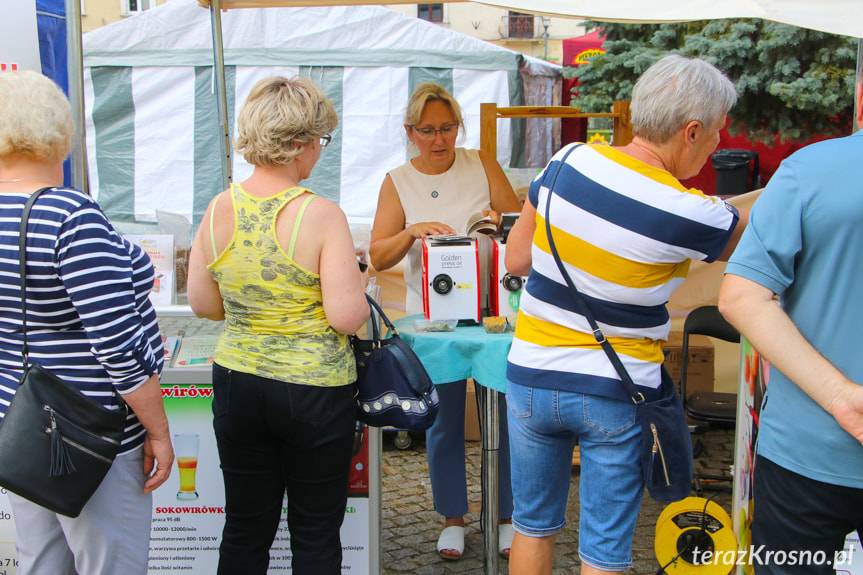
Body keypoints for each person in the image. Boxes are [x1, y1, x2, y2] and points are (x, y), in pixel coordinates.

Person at [504, 54, 746, 575]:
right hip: (615, 389)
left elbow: (517, 259)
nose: (718, 147)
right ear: (691, 131)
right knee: (605, 549)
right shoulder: (690, 211)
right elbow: (757, 231)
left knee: (531, 526)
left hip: (530, 378)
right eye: (716, 135)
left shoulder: (566, 160)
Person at [187, 76, 369, 575]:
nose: (319, 154)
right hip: (314, 390)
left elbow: (203, 303)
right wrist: (357, 277)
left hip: (238, 381)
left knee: (245, 526)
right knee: (314, 531)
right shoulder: (321, 213)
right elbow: (347, 317)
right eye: (319, 141)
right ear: (297, 144)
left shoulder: (219, 207)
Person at [0, 70, 173, 574]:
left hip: (19, 423)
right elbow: (117, 346)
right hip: (89, 434)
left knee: (43, 564)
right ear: (58, 130)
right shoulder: (69, 215)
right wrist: (158, 431)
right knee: (110, 564)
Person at [718, 64, 863, 575]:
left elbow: (741, 298)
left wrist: (842, 397)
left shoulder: (810, 169)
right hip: (812, 450)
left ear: (861, 96)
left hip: (811, 447)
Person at [369, 82, 522, 559]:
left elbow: (518, 223)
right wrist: (412, 231)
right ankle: (452, 518)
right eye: (429, 130)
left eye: (448, 128)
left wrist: (498, 219)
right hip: (434, 319)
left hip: (494, 311)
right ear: (410, 132)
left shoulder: (481, 163)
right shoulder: (398, 179)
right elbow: (377, 253)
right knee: (443, 420)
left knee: (506, 418)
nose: (440, 139)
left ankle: (503, 515)